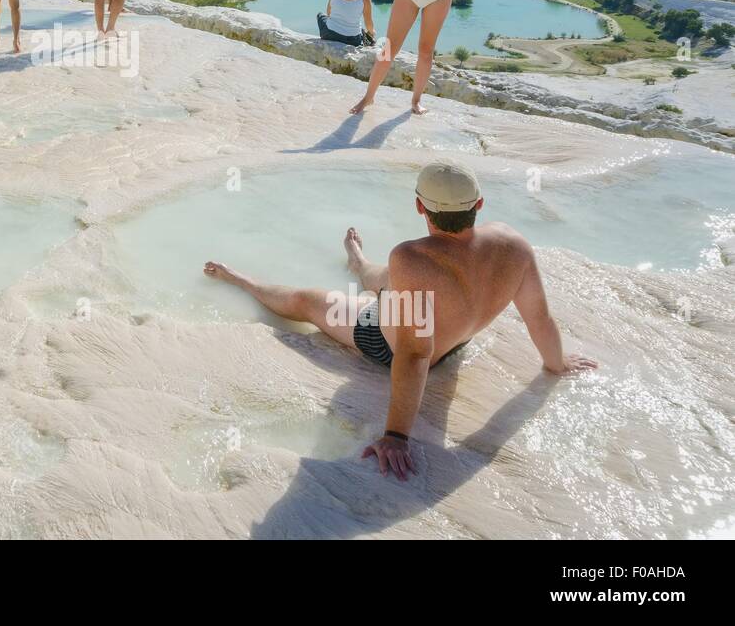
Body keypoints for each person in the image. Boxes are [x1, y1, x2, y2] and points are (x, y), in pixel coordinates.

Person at [203, 159, 597, 482]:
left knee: (307, 301)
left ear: (420, 208)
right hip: (457, 335)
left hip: (383, 339)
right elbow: (539, 317)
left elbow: (413, 353)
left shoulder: (413, 258)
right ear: (479, 204)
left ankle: (243, 280)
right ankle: (358, 262)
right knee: (388, 281)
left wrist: (395, 436)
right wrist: (556, 364)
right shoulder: (514, 244)